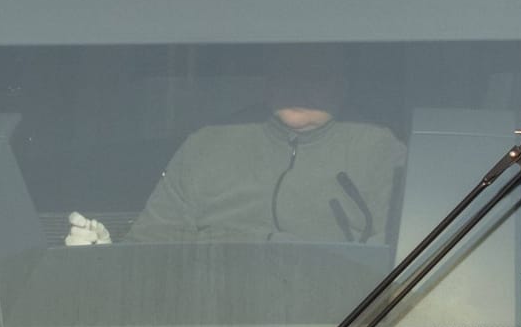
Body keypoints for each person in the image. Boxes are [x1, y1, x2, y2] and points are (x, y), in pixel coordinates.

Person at [75, 49, 405, 246]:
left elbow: (397, 265)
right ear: (267, 80)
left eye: (315, 74)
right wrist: (105, 252)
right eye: (286, 71)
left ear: (343, 84)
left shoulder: (382, 151)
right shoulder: (208, 144)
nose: (297, 86)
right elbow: (151, 249)